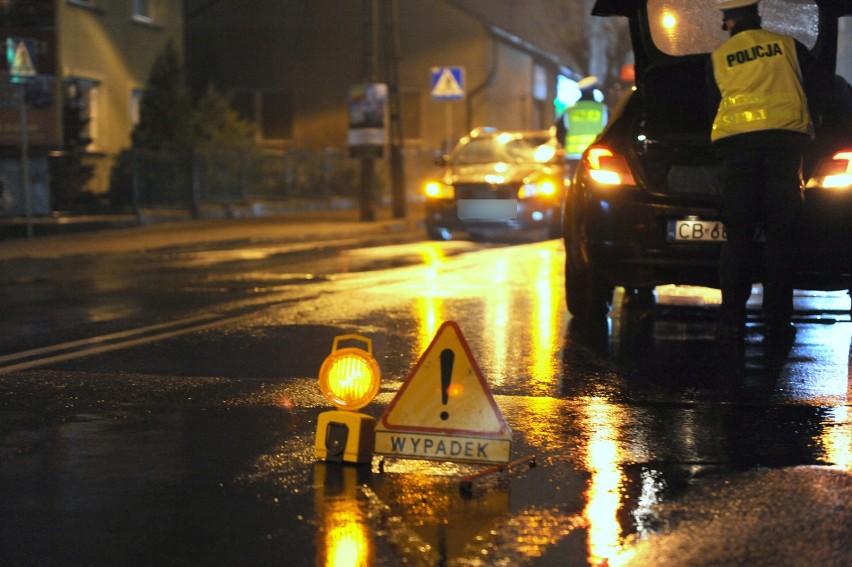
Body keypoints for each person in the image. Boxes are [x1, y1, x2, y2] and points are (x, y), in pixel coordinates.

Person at [707, 0, 820, 351]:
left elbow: (709, 103)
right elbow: (819, 88)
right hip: (785, 146)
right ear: (759, 16)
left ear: (728, 22)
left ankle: (730, 324)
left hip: (739, 150)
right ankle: (777, 324)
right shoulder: (788, 46)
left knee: (738, 238)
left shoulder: (720, 57)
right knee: (780, 238)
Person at [555, 76, 608, 163]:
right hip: (596, 156)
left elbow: (559, 132)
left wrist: (565, 146)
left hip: (573, 158)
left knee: (573, 177)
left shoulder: (569, 111)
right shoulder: (603, 110)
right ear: (593, 90)